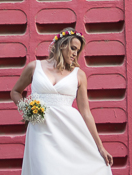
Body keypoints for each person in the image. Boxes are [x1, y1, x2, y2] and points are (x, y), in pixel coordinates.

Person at [10, 27, 113, 174]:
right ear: (61, 45)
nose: (75, 54)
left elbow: (86, 113)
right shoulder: (34, 67)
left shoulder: (79, 75)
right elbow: (15, 92)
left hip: (70, 131)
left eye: (77, 50)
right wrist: (26, 108)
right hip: (41, 130)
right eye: (72, 48)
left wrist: (100, 146)